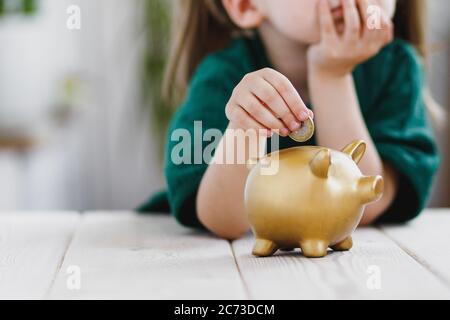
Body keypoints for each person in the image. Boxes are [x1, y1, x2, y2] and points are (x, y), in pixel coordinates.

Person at [140, 0, 441, 240]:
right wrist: (245, 130)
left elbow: (367, 202)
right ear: (245, 5)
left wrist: (331, 75)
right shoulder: (221, 77)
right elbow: (224, 222)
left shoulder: (397, 67)